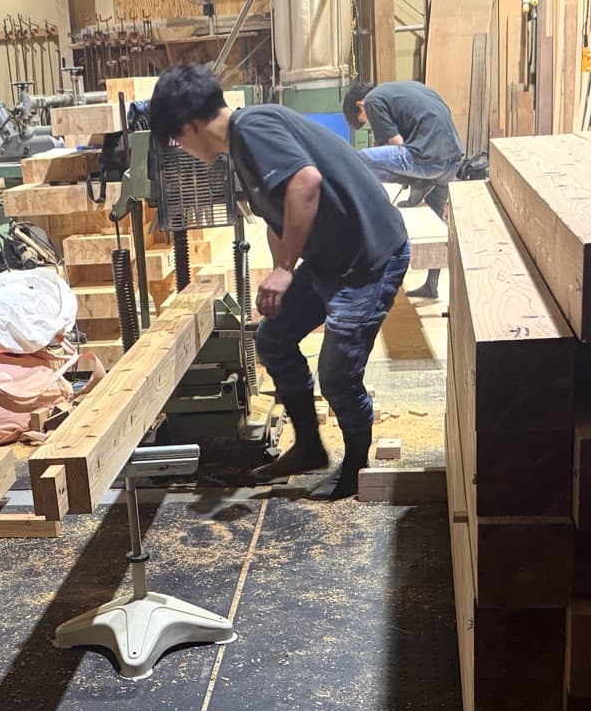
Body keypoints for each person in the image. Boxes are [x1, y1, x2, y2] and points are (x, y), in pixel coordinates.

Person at [147, 64, 410, 500]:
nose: (182, 149)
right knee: (273, 338)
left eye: (177, 139)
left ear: (190, 125)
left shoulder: (253, 129)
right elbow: (279, 215)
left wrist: (286, 269)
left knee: (337, 373)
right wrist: (279, 271)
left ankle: (355, 468)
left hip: (369, 258)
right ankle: (308, 448)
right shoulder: (242, 147)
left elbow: (305, 183)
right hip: (331, 259)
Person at [343, 78, 464, 299]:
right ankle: (431, 286)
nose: (370, 124)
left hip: (428, 160)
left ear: (360, 105)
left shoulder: (372, 101)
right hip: (451, 162)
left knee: (359, 160)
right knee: (436, 225)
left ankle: (415, 183)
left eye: (364, 121)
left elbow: (397, 145)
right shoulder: (403, 91)